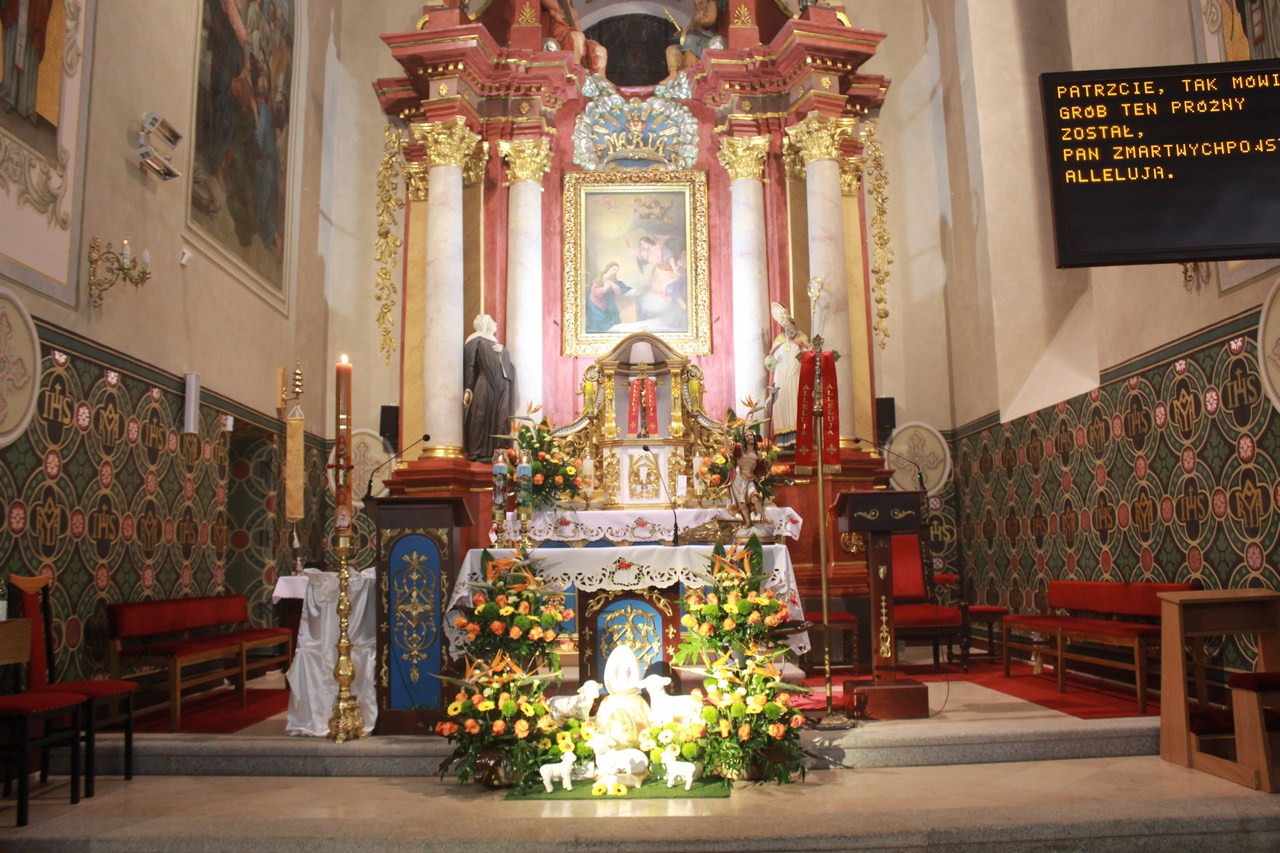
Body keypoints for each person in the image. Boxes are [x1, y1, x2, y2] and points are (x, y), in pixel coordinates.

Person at [463, 314, 515, 462]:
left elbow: (507, 367)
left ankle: (499, 450)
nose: (496, 323)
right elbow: (470, 366)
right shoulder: (476, 340)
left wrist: (503, 351)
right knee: (480, 414)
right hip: (485, 382)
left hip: (502, 386)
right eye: (492, 321)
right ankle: (477, 451)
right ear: (484, 324)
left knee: (501, 416)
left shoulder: (498, 344)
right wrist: (468, 388)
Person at [764, 302, 810, 448]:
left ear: (793, 324)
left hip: (795, 377)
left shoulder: (802, 338)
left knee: (795, 406)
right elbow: (770, 361)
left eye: (789, 325)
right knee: (781, 406)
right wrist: (770, 361)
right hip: (781, 378)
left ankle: (798, 439)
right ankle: (783, 440)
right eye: (785, 325)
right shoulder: (779, 340)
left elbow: (809, 356)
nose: (788, 328)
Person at [663, 0, 718, 82]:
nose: (696, 5)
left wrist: (697, 19)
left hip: (706, 39)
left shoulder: (711, 4)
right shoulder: (697, 11)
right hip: (695, 36)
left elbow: (710, 21)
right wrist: (683, 33)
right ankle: (673, 74)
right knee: (671, 49)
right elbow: (691, 27)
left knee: (690, 39)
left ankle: (689, 70)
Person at [727, 432, 768, 529]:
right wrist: (725, 433)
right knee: (742, 504)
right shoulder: (740, 449)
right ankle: (748, 522)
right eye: (747, 436)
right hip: (738, 479)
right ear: (744, 439)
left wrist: (767, 463)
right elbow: (728, 447)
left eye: (751, 435)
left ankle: (765, 518)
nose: (750, 437)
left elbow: (760, 470)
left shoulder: (758, 454)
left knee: (755, 499)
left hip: (749, 479)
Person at [585, 262, 631, 333]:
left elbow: (618, 293)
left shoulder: (613, 279)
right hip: (596, 302)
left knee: (613, 316)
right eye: (614, 269)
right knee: (600, 322)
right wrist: (604, 288)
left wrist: (614, 286)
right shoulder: (599, 277)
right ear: (609, 268)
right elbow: (595, 292)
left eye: (616, 270)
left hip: (607, 300)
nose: (615, 272)